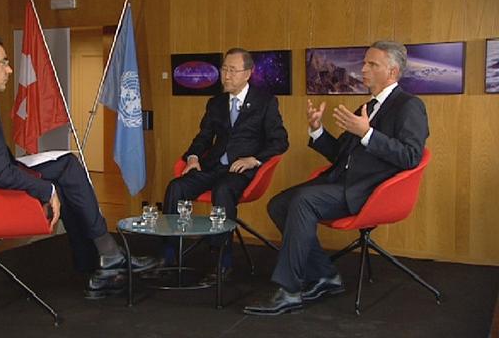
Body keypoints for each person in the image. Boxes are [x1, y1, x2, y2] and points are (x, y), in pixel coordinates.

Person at [0, 29, 156, 299]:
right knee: (66, 173)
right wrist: (47, 190)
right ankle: (106, 255)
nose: (9, 70)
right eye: (4, 62)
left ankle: (102, 258)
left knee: (67, 165)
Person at [243, 41, 429, 316]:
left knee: (304, 201)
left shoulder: (409, 106)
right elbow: (339, 154)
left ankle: (290, 290)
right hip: (340, 183)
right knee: (279, 203)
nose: (363, 69)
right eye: (365, 63)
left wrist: (367, 134)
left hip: (369, 192)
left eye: (371, 64)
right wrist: (317, 130)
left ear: (391, 72)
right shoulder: (367, 106)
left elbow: (411, 156)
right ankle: (325, 275)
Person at [163, 48, 289, 284]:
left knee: (223, 190)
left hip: (242, 171)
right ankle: (170, 254)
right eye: (224, 69)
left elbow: (280, 141)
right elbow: (203, 137)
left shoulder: (265, 102)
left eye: (232, 70)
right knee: (176, 187)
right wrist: (192, 157)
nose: (226, 75)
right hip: (212, 167)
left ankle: (223, 259)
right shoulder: (216, 102)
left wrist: (255, 159)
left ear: (248, 74)